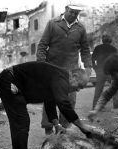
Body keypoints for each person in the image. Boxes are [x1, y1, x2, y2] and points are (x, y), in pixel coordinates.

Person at [0, 61, 92, 149]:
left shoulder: (58, 77)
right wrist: (82, 126)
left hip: (11, 81)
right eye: (79, 86)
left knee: (21, 121)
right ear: (74, 76)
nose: (78, 90)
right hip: (9, 81)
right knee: (20, 121)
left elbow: (49, 101)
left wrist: (57, 125)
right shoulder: (61, 77)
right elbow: (63, 103)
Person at [36, 4, 92, 133]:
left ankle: (64, 129)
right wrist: (41, 64)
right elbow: (42, 45)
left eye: (76, 13)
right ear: (66, 9)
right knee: (50, 99)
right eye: (71, 11)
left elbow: (85, 49)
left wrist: (88, 67)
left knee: (69, 100)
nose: (73, 15)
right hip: (52, 68)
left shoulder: (81, 28)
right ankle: (49, 128)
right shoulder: (53, 24)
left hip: (71, 71)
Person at [91, 34, 118, 109]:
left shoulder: (97, 48)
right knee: (115, 86)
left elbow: (92, 59)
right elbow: (117, 60)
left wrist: (95, 68)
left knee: (98, 89)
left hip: (100, 71)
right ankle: (116, 103)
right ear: (110, 41)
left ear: (102, 40)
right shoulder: (113, 49)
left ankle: (95, 105)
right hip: (110, 71)